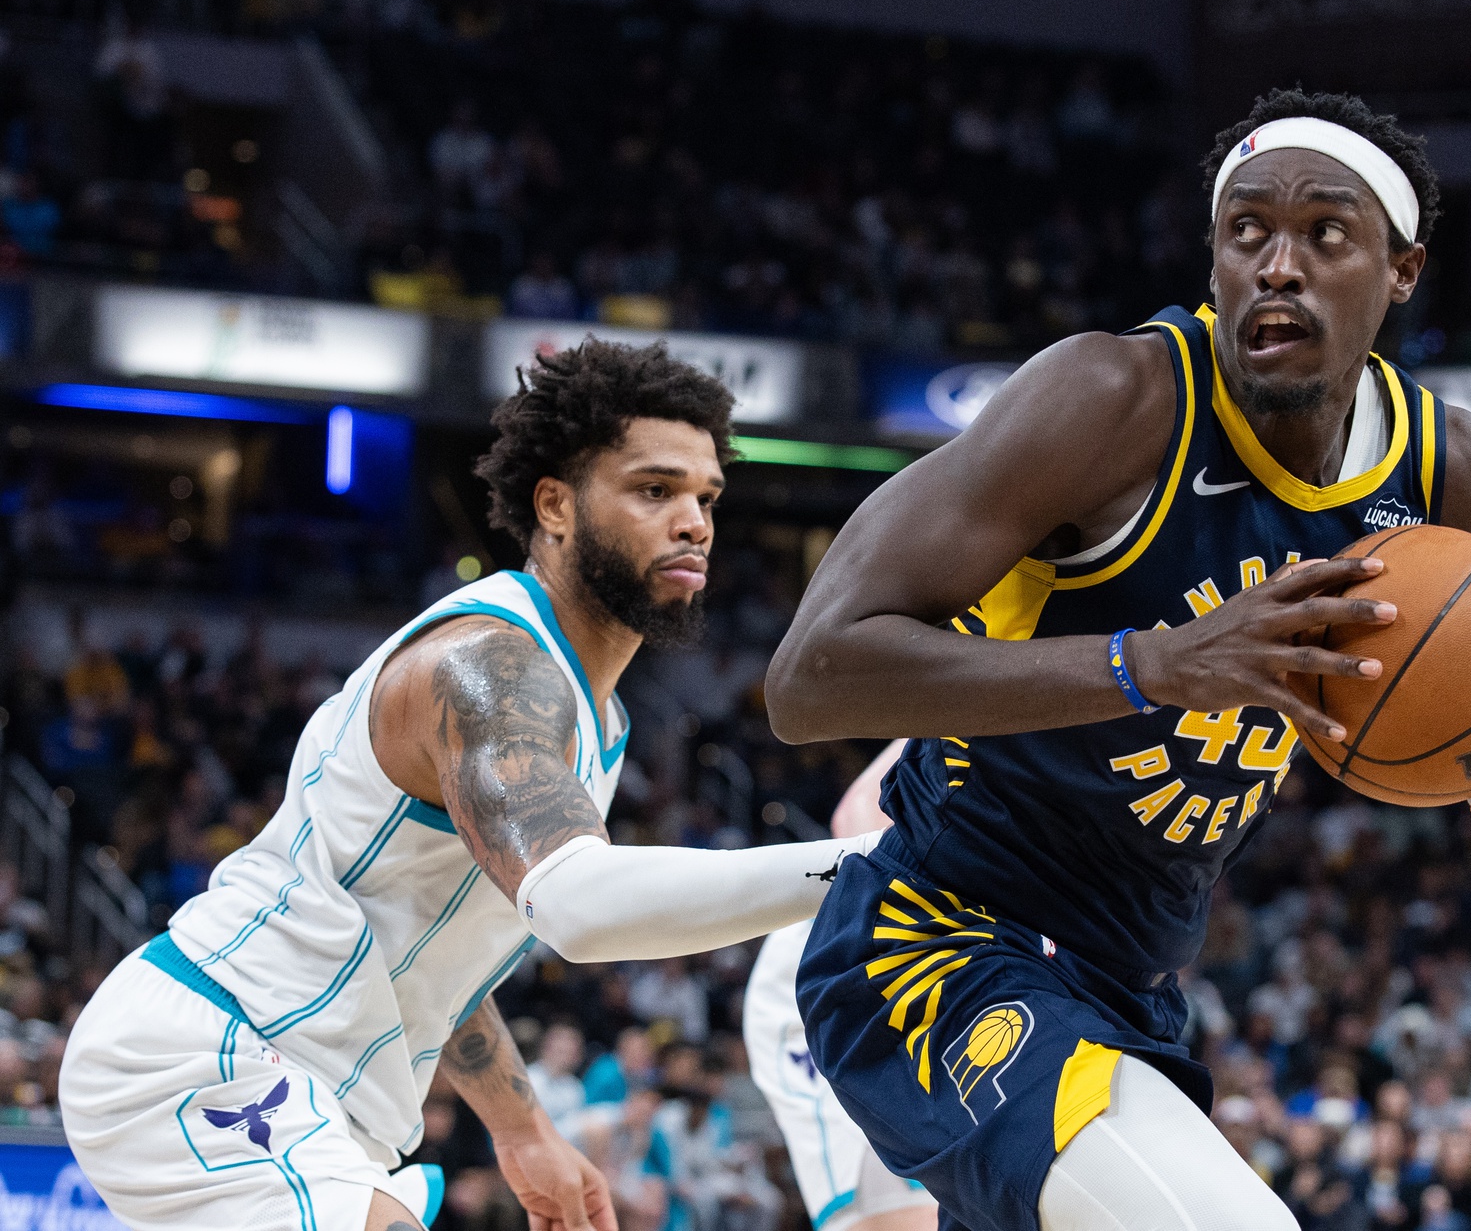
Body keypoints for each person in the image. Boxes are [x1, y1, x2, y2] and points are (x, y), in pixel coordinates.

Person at [768, 87, 1471, 1231]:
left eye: (1326, 233)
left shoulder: (1446, 468)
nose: (1278, 265)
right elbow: (807, 680)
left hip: (1133, 988)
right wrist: (1149, 665)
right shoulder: (1112, 400)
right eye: (1247, 231)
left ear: (1402, 270)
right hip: (940, 939)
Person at [58, 340, 879, 1231]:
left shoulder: (594, 716)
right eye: (655, 490)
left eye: (706, 498)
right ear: (556, 505)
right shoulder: (491, 666)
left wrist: (523, 1128)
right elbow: (580, 910)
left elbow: (435, 947)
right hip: (214, 1045)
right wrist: (870, 865)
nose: (694, 523)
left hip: (307, 1084)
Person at [744, 739, 938, 1231]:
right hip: (839, 960)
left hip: (905, 967)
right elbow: (855, 817)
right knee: (905, 1209)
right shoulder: (980, 727)